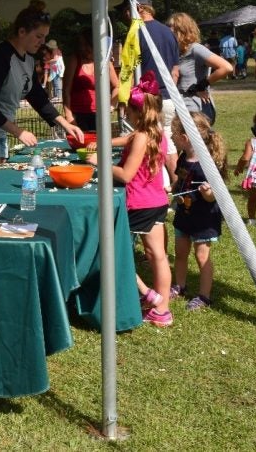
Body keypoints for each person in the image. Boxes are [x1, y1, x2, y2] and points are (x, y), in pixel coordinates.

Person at [0, 0, 83, 180]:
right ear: (22, 32)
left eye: (45, 36)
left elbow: (37, 96)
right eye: (39, 36)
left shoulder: (28, 58)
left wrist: (66, 124)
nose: (42, 42)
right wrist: (19, 132)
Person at [86, 72, 172, 327]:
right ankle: (162, 309)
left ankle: (146, 292)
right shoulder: (155, 133)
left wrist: (99, 162)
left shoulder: (141, 138)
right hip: (157, 202)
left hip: (139, 205)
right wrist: (100, 142)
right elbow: (124, 140)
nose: (125, 117)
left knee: (112, 251)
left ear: (136, 113)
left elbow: (125, 174)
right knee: (157, 254)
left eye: (127, 112)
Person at [168, 112, 225, 311]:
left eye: (173, 134)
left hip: (203, 218)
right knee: (180, 252)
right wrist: (172, 188)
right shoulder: (184, 157)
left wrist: (208, 193)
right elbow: (180, 179)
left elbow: (214, 198)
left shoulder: (208, 164)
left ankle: (204, 296)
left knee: (202, 257)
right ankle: (180, 286)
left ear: (184, 138)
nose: (171, 137)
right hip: (184, 214)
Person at [119, 0, 179, 177]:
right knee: (166, 142)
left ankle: (163, 182)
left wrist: (125, 100)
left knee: (145, 141)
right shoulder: (169, 32)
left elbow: (128, 71)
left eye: (126, 11)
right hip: (168, 97)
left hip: (146, 100)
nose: (125, 16)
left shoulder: (136, 32)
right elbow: (175, 71)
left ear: (139, 8)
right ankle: (174, 182)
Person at [167, 12, 232, 124]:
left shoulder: (195, 49)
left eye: (170, 29)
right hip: (178, 107)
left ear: (181, 30)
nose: (167, 32)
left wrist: (201, 85)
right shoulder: (175, 52)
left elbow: (226, 67)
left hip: (195, 110)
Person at [62, 28, 118, 132]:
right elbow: (66, 89)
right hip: (77, 113)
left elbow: (117, 86)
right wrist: (69, 116)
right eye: (81, 44)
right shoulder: (74, 60)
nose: (82, 48)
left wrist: (111, 106)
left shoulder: (104, 61)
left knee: (98, 145)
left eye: (86, 44)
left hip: (100, 114)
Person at [235, 111, 256, 227]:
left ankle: (252, 219)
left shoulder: (252, 142)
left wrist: (239, 168)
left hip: (255, 177)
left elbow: (245, 158)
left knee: (253, 198)